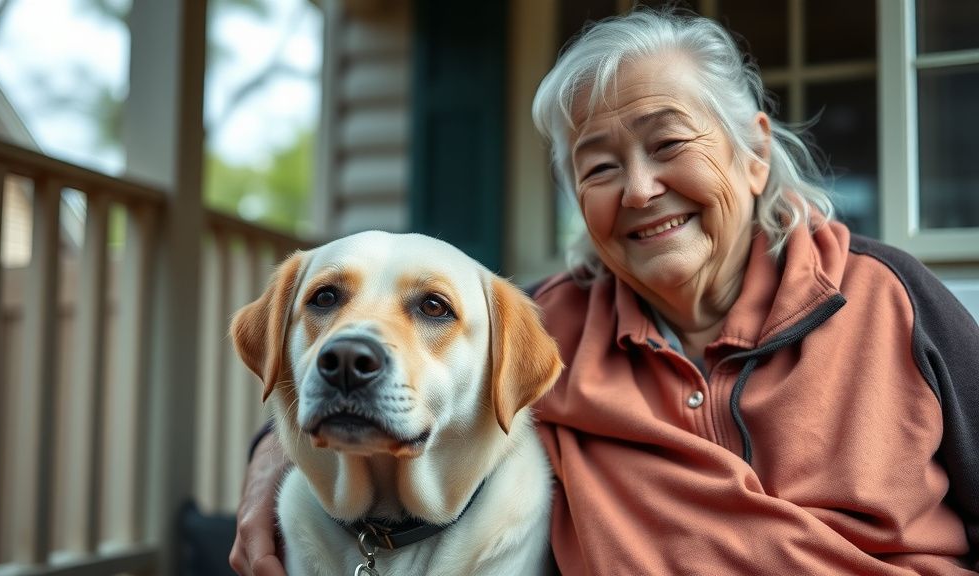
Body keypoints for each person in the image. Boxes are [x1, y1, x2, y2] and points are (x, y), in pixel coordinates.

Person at [230, 6, 979, 575]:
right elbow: (399, 355)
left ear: (753, 153)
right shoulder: (544, 329)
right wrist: (274, 458)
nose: (642, 189)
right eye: (599, 168)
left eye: (669, 143)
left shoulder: (892, 299)